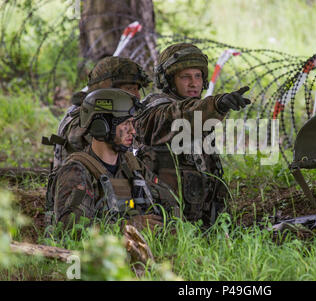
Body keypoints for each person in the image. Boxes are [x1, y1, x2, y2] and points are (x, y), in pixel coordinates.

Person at [134, 43, 251, 227]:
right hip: (164, 224)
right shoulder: (154, 111)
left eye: (198, 76)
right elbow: (179, 116)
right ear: (169, 80)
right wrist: (217, 105)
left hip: (198, 223)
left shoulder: (201, 113)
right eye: (185, 77)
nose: (194, 83)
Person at [48, 88, 177, 230]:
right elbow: (70, 229)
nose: (132, 131)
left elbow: (170, 201)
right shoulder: (76, 171)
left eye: (133, 123)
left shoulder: (131, 164)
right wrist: (127, 226)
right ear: (102, 127)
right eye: (126, 124)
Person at [43, 56, 150, 170]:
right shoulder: (85, 119)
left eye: (137, 89)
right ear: (106, 90)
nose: (137, 96)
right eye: (130, 88)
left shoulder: (113, 115)